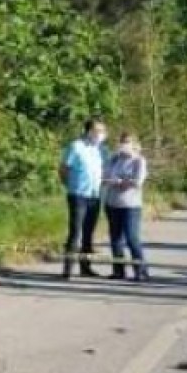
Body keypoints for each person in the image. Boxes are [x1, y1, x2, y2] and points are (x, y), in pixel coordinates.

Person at [59, 118, 109, 279]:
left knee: (89, 233)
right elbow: (63, 169)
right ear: (88, 131)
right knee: (75, 232)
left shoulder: (103, 150)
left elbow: (106, 170)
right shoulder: (76, 146)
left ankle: (85, 267)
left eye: (102, 131)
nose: (100, 134)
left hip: (95, 195)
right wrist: (70, 186)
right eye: (97, 131)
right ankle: (68, 269)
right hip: (78, 195)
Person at [103, 134, 149, 282]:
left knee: (131, 238)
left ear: (135, 144)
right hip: (112, 203)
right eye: (122, 142)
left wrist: (119, 182)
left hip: (131, 205)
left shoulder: (138, 160)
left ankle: (141, 271)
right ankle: (118, 270)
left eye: (127, 142)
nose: (123, 145)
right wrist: (114, 181)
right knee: (115, 239)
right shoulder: (114, 159)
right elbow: (104, 177)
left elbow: (137, 182)